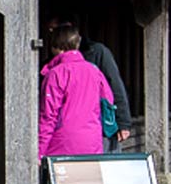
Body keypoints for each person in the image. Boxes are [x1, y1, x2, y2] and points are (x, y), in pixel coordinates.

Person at [48, 18, 133, 151]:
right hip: (68, 127)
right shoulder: (54, 61)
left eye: (56, 31)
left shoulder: (96, 52)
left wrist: (123, 122)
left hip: (98, 122)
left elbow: (114, 85)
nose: (52, 35)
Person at [38, 24, 114, 158]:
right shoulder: (94, 70)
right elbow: (108, 100)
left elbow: (48, 116)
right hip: (92, 140)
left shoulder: (56, 74)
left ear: (54, 46)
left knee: (62, 178)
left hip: (62, 142)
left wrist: (40, 151)